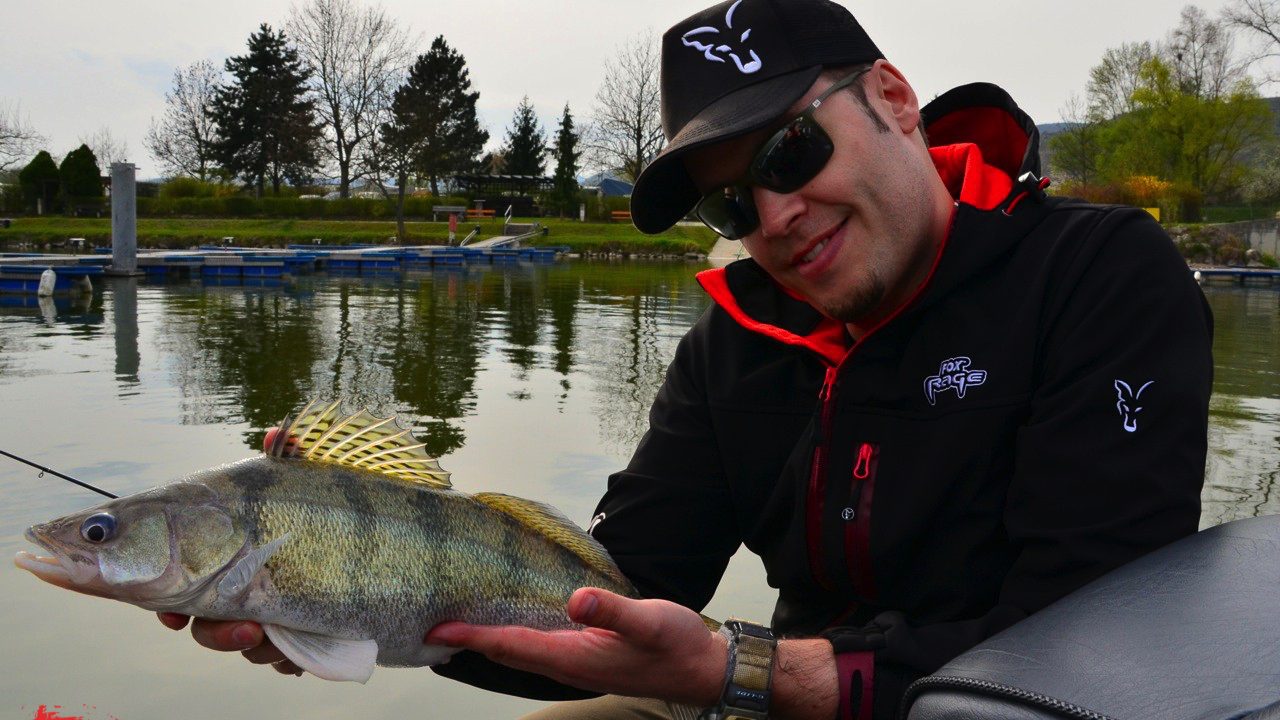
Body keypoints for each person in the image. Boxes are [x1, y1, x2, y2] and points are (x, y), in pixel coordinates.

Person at [159, 0, 1214, 717]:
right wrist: (341, 596)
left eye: (790, 152)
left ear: (893, 100)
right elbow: (623, 599)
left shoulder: (1094, 274)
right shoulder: (734, 343)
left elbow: (1087, 652)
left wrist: (737, 669)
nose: (773, 216)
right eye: (727, 200)